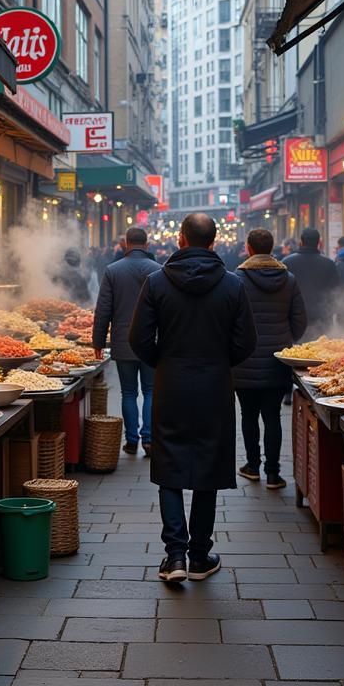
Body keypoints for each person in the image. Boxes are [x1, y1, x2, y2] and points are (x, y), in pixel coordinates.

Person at [130, 213, 257, 582]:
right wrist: (220, 362)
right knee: (208, 467)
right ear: (214, 242)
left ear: (181, 240)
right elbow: (246, 342)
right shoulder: (233, 285)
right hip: (215, 386)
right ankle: (200, 554)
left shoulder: (156, 283)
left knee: (169, 467)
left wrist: (164, 362)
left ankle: (175, 557)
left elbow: (138, 339)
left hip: (171, 385)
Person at [233, 228, 307, 489]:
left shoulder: (237, 279)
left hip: (244, 360)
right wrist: (286, 341)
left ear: (249, 248)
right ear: (272, 248)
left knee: (248, 415)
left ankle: (252, 466)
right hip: (277, 360)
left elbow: (228, 320)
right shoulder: (288, 279)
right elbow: (300, 321)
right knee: (273, 416)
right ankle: (274, 473)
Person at [92, 227, 160, 455]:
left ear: (125, 244)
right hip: (152, 342)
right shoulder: (158, 270)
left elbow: (103, 310)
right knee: (150, 391)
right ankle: (149, 440)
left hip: (123, 341)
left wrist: (98, 341)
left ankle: (132, 441)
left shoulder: (113, 270)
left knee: (129, 393)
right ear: (147, 245)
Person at [282, 227, 339, 337]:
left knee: (294, 353)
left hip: (294, 318)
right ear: (318, 243)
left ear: (301, 242)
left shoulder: (287, 262)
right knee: (320, 351)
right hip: (321, 318)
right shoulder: (329, 264)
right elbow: (336, 291)